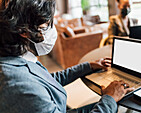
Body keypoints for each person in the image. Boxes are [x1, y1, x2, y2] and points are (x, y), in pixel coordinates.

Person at [0, 0, 133, 113]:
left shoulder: (19, 59)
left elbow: (47, 81)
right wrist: (109, 99)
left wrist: (87, 66)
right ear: (24, 30)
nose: (53, 29)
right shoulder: (17, 85)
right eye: (47, 23)